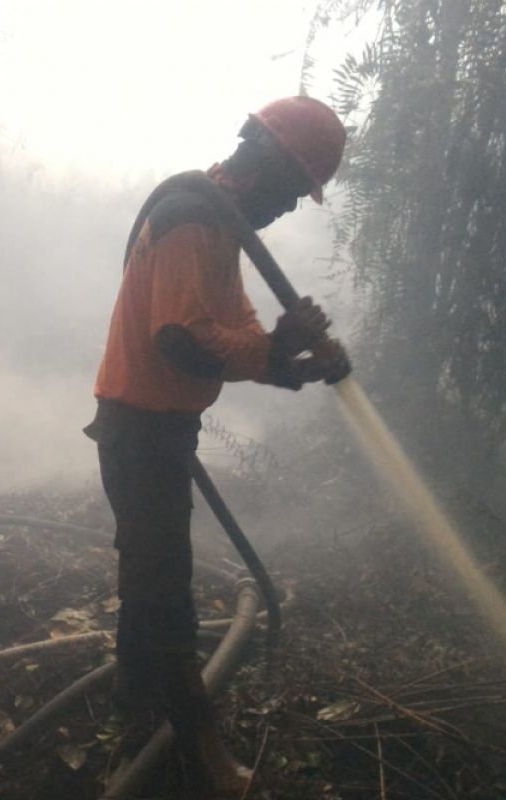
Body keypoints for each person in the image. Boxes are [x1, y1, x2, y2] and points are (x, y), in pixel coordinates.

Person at [85, 96, 349, 795]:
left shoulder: (218, 223)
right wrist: (272, 348)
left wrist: (292, 361)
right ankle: (204, 757)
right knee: (166, 592)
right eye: (294, 192)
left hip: (157, 427)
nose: (291, 210)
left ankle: (133, 704)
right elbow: (180, 341)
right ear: (263, 161)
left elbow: (229, 329)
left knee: (151, 578)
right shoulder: (191, 218)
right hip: (138, 430)